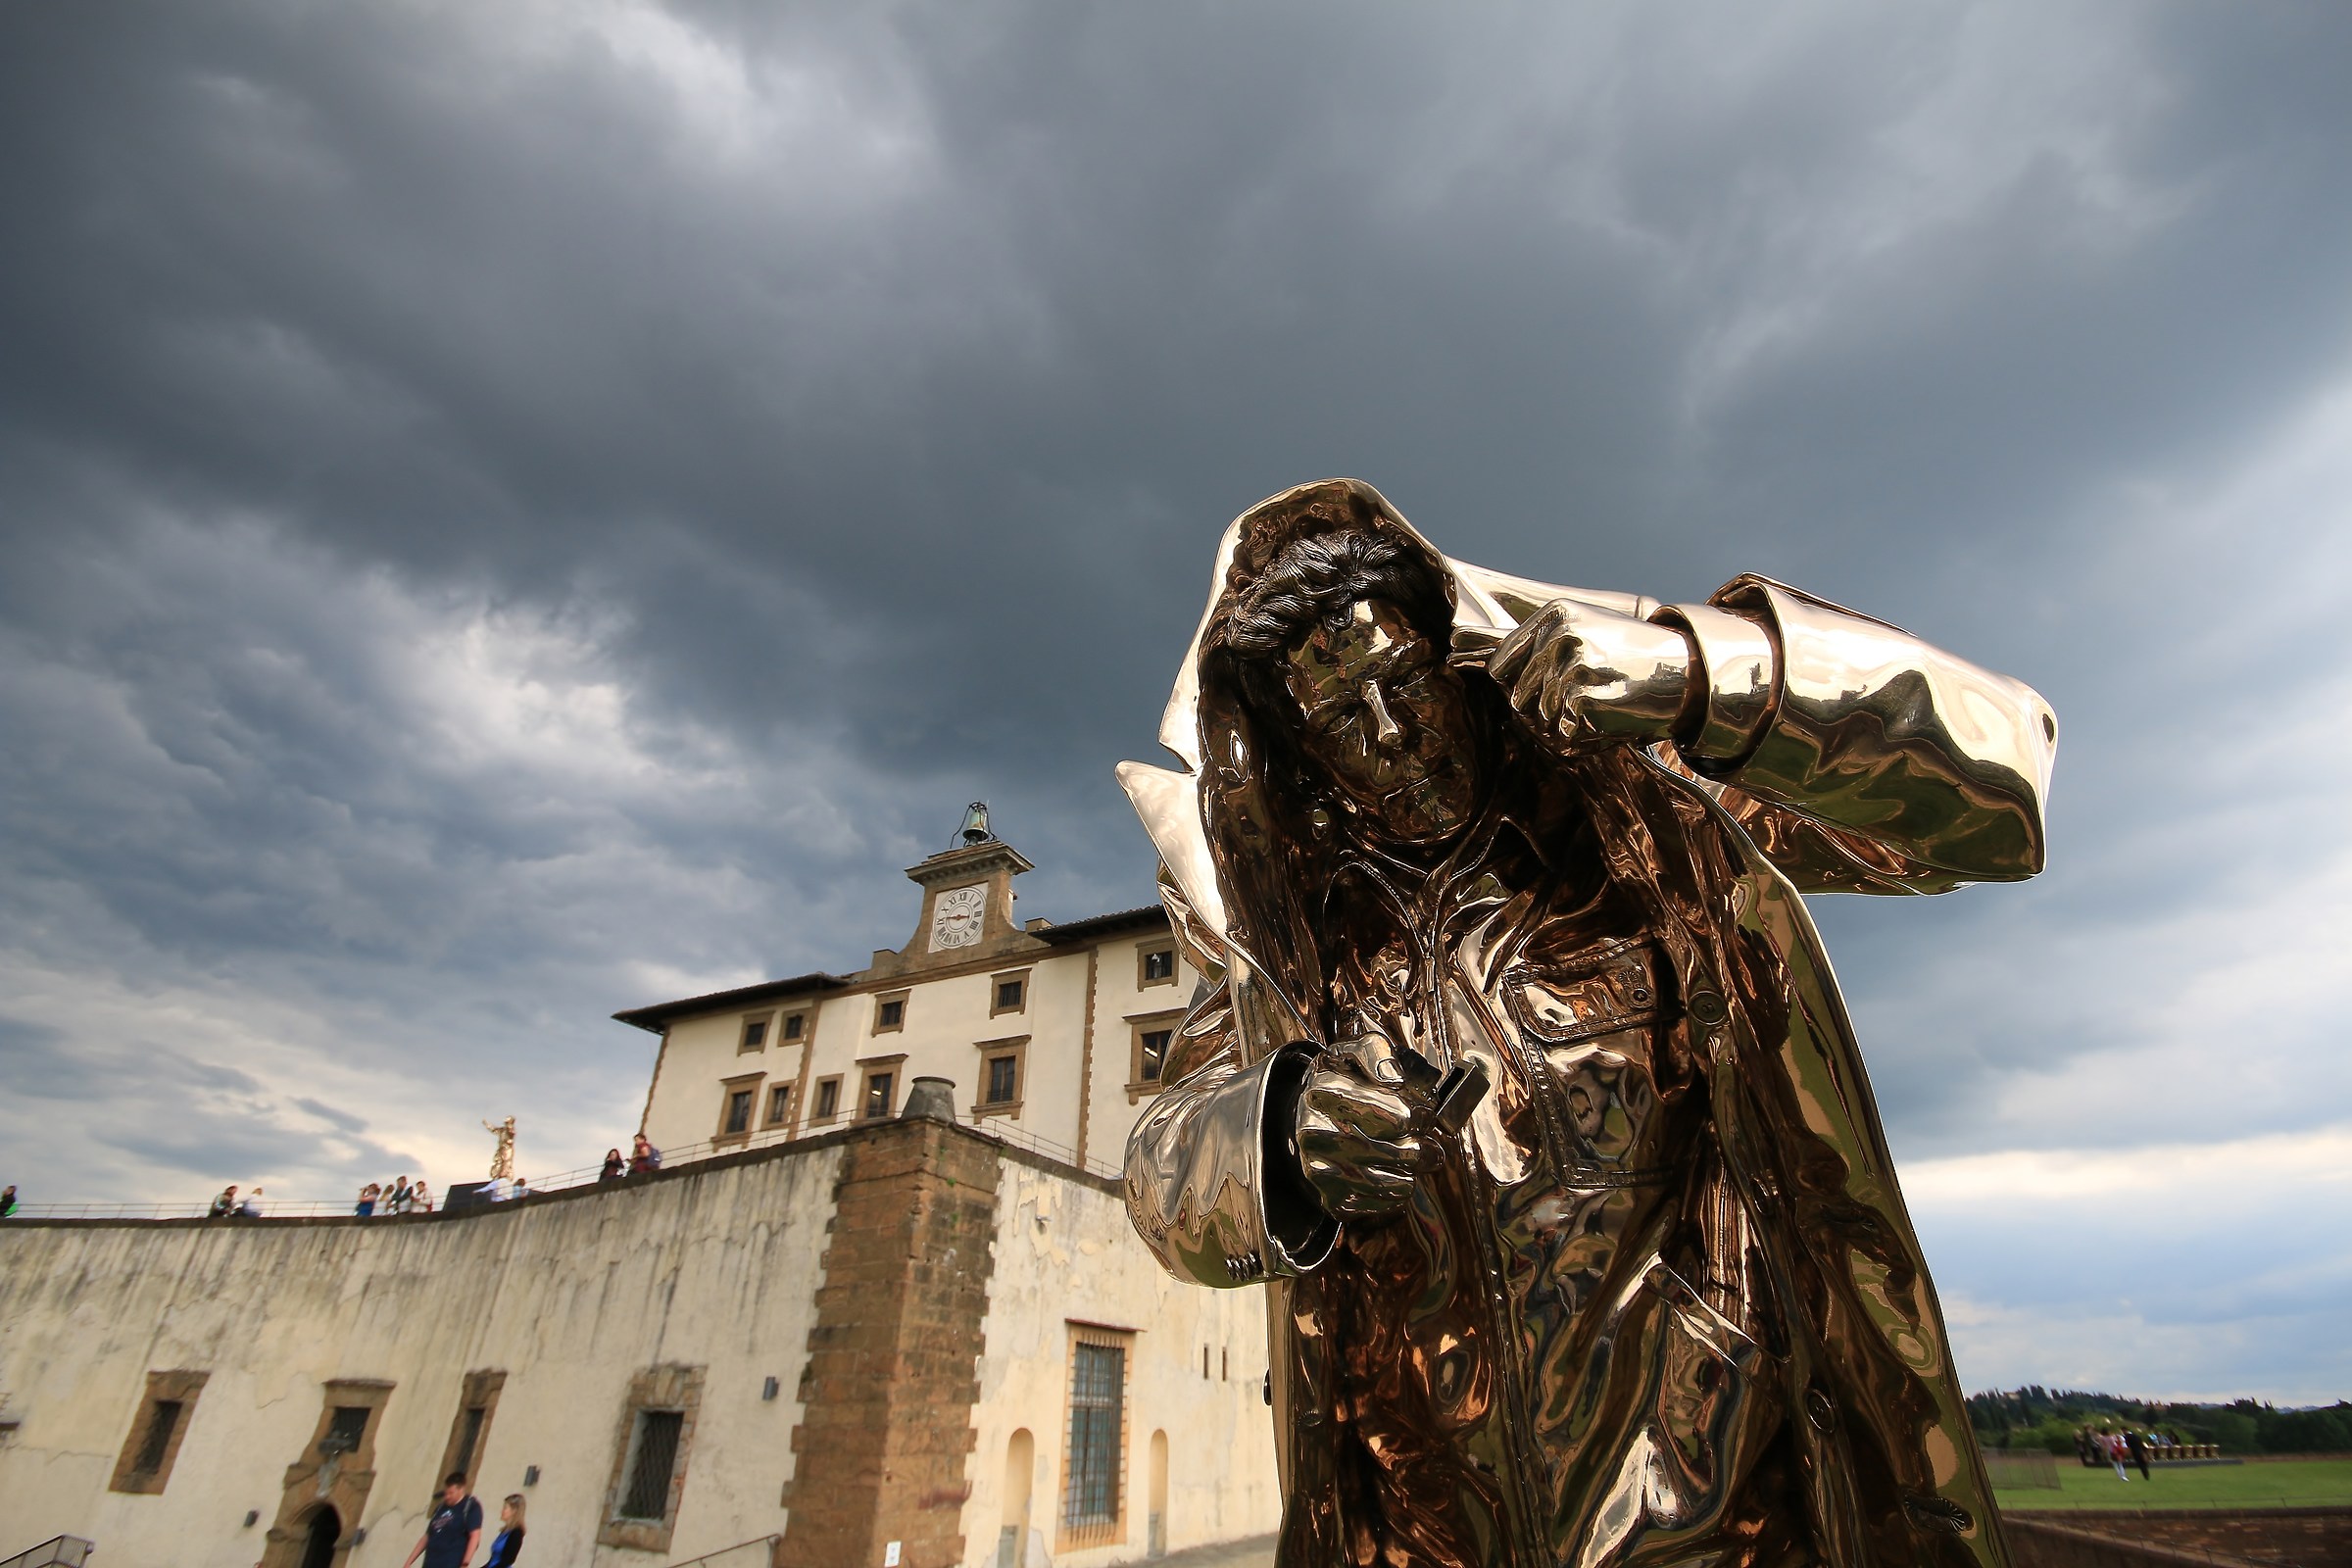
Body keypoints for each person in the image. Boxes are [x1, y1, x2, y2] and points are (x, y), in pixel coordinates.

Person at [1118, 480, 2056, 1568]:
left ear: (1457, 661)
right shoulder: (1292, 956)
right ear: (1303, 761)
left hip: (1714, 1529)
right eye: (1340, 721)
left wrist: (1702, 677)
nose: (1391, 733)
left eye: (1403, 681)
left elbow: (2004, 794)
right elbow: (1160, 1174)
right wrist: (1278, 1134)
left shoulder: (1649, 830)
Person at [402, 1472, 481, 1568]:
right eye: (446, 1493)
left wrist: (465, 1564)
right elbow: (427, 1536)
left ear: (461, 1489)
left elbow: (475, 1536)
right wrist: (409, 1562)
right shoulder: (440, 1508)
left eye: (451, 1493)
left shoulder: (470, 1507)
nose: (447, 1496)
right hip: (430, 1563)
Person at [482, 1493, 525, 1566]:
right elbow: (493, 1560)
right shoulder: (505, 1531)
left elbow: (508, 1560)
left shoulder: (517, 1533)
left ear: (514, 1511)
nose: (502, 1511)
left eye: (505, 1508)